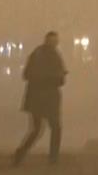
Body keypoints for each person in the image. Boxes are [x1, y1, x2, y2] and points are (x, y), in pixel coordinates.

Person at [13, 31, 67, 166]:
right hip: (47, 98)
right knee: (54, 128)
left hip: (36, 98)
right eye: (54, 41)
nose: (54, 43)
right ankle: (53, 158)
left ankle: (21, 153)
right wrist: (53, 79)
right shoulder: (53, 56)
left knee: (37, 129)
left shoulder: (37, 54)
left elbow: (26, 75)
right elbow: (60, 79)